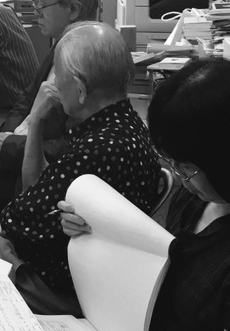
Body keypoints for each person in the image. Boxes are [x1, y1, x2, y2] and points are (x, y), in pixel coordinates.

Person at [0, 21, 160, 315]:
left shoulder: (97, 150)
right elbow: (38, 186)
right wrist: (36, 121)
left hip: (58, 287)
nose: (54, 85)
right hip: (89, 279)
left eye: (58, 77)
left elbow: (15, 217)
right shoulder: (124, 126)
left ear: (80, 89)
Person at [59, 57, 230, 331]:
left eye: (187, 168)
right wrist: (92, 233)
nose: (180, 179)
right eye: (172, 164)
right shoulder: (195, 198)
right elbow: (154, 263)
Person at [0, 0, 104, 234]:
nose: (36, 10)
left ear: (73, 9)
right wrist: (7, 134)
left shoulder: (88, 63)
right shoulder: (61, 44)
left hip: (38, 176)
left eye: (43, 4)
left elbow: (66, 147)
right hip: (16, 147)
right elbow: (26, 98)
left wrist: (9, 144)